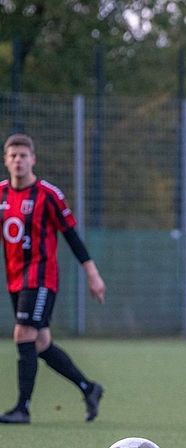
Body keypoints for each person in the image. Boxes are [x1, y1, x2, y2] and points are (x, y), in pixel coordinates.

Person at [0, 133, 105, 424]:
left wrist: (92, 274)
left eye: (24, 155)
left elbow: (71, 236)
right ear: (6, 160)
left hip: (41, 278)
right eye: (13, 156)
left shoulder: (48, 195)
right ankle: (89, 388)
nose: (19, 160)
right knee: (41, 343)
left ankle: (22, 408)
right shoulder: (1, 195)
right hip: (15, 280)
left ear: (33, 159)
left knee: (23, 334)